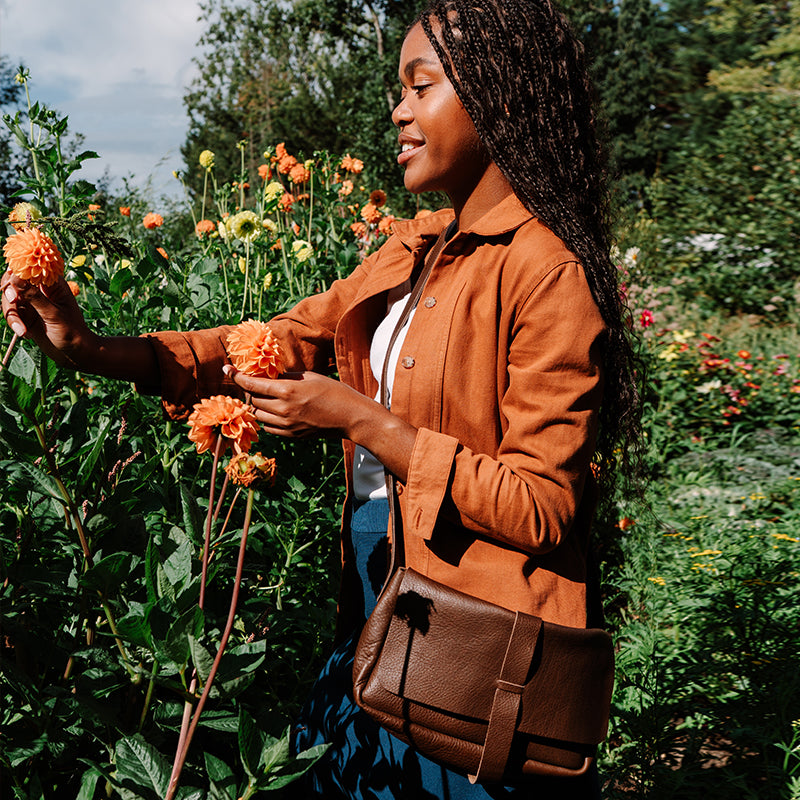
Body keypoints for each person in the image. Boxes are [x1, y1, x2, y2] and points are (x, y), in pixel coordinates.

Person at [2, 0, 641, 796]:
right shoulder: (410, 250)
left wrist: (361, 420)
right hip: (377, 596)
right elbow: (259, 343)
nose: (399, 113)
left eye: (421, 87)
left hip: (475, 633)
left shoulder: (546, 271)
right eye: (396, 93)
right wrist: (90, 347)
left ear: (500, 98)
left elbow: (543, 506)